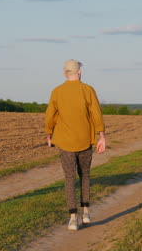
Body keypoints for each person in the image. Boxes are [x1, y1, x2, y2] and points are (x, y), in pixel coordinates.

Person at [45, 59, 106, 230]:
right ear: (79, 72)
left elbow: (50, 115)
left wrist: (49, 134)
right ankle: (85, 212)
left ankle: (73, 218)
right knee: (85, 175)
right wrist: (102, 136)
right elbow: (96, 114)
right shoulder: (87, 90)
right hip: (85, 140)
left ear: (65, 73)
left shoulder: (57, 91)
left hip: (64, 141)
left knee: (69, 178)